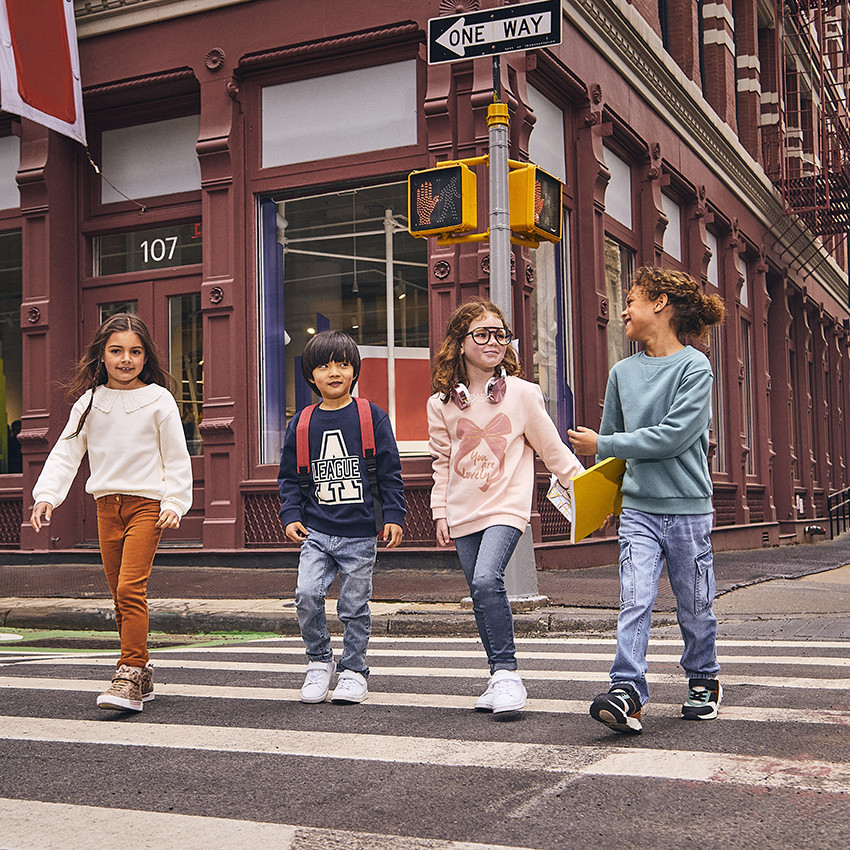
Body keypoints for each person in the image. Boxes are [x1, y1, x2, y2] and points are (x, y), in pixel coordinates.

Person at [568, 266, 726, 734]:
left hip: (688, 510)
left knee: (694, 604)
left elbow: (673, 438)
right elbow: (615, 444)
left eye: (631, 300)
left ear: (659, 304)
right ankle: (627, 691)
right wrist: (601, 500)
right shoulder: (622, 372)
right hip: (638, 509)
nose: (623, 310)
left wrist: (605, 445)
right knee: (633, 599)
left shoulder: (696, 367)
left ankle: (703, 678)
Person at [30, 313, 192, 713]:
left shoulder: (159, 399)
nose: (126, 359)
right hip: (107, 508)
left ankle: (130, 671)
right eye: (116, 350)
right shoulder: (89, 402)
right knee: (119, 596)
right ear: (101, 355)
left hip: (146, 507)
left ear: (146, 356)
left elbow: (176, 457)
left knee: (129, 589)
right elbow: (67, 452)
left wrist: (174, 503)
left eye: (135, 351)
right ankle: (143, 671)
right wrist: (47, 495)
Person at [428, 298, 583, 714]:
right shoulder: (441, 404)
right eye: (482, 333)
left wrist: (588, 491)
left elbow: (554, 451)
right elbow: (441, 462)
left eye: (500, 333)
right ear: (461, 343)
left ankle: (509, 675)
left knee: (484, 581)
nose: (493, 340)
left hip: (506, 507)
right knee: (480, 595)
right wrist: (440, 511)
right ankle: (497, 675)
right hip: (462, 510)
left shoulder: (522, 393)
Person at [278, 330, 405, 705]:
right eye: (324, 366)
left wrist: (394, 515)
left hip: (361, 534)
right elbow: (288, 476)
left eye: (343, 364)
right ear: (310, 376)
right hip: (317, 530)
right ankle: (319, 662)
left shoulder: (371, 416)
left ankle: (353, 669)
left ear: (354, 371)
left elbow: (389, 472)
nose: (334, 372)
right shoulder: (301, 423)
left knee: (353, 606)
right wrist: (289, 514)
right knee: (306, 594)